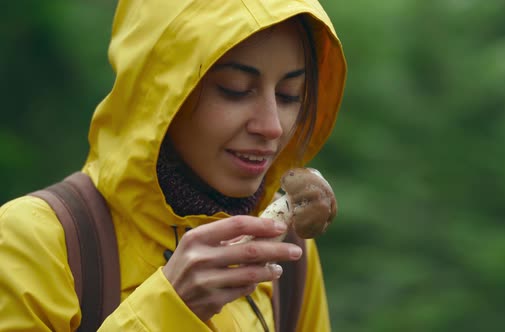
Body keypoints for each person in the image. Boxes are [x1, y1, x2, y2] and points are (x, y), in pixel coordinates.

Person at [0, 0, 346, 330]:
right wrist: (170, 309)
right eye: (234, 89)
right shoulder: (31, 243)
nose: (272, 126)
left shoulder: (289, 253)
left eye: (289, 95)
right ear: (158, 94)